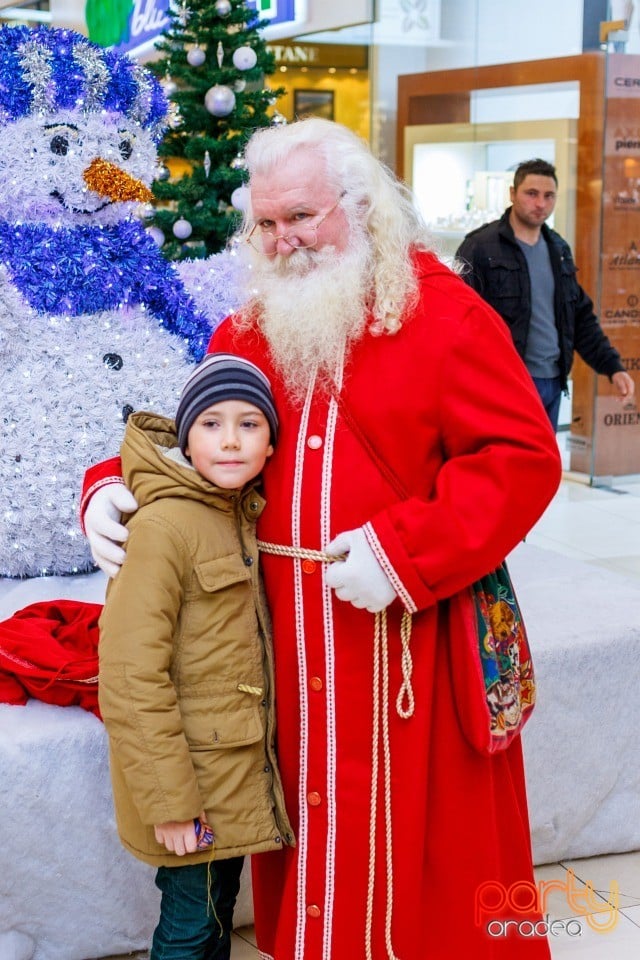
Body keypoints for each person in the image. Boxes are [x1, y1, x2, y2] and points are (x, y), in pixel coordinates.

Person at [83, 119, 563, 959]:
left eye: (302, 216)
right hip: (281, 646)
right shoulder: (247, 330)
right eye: (266, 224)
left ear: (361, 205)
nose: (284, 241)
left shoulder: (444, 314)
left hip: (407, 645)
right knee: (316, 855)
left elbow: (524, 459)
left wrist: (407, 552)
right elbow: (199, 441)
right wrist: (111, 487)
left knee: (425, 877)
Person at [98, 353, 293, 960]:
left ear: (270, 441)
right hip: (192, 788)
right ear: (186, 436)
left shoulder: (238, 515)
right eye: (210, 424)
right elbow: (131, 674)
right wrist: (171, 803)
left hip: (232, 776)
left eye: (249, 424)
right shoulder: (165, 529)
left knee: (212, 915)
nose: (230, 441)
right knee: (188, 928)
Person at [455, 157, 635, 430]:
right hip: (506, 384)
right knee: (510, 468)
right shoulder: (480, 247)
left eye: (549, 196)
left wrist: (613, 367)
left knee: (543, 469)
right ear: (512, 194)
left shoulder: (558, 249)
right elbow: (459, 319)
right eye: (532, 194)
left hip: (552, 382)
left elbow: (579, 317)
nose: (541, 204)